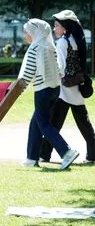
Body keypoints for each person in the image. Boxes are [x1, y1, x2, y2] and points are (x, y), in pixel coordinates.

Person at [18, 18, 79, 169]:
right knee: (36, 122)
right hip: (54, 89)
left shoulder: (35, 48)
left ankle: (66, 152)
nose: (25, 35)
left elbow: (28, 73)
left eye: (26, 32)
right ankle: (31, 158)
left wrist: (17, 89)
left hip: (43, 90)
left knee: (43, 123)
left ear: (34, 32)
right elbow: (59, 69)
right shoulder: (50, 46)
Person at [40, 10, 95, 164]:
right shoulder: (75, 41)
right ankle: (92, 155)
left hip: (64, 89)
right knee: (84, 125)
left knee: (54, 124)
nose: (54, 28)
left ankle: (44, 155)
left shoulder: (63, 42)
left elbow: (61, 67)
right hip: (75, 88)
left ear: (64, 27)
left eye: (56, 25)